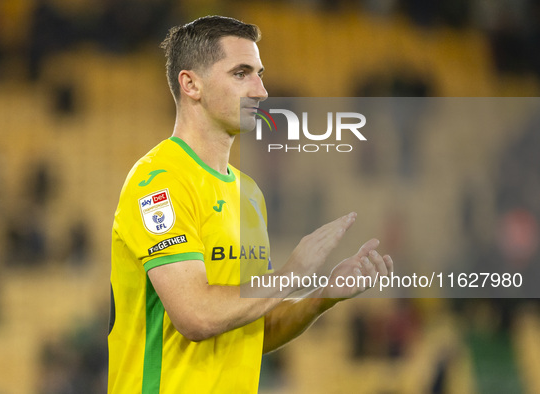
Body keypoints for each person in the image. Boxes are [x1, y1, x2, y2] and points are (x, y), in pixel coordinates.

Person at [108, 15, 393, 393]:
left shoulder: (249, 195)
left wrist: (323, 295)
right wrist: (293, 272)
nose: (261, 91)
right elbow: (196, 315)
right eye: (241, 73)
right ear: (191, 84)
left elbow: (258, 329)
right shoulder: (159, 181)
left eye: (259, 74)